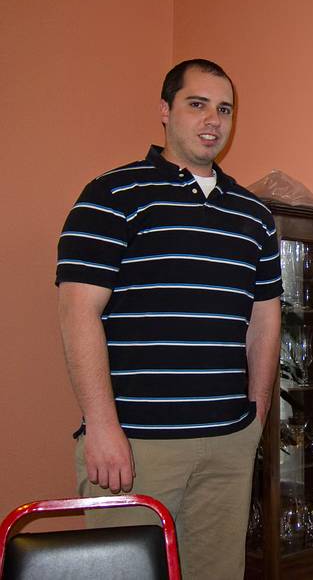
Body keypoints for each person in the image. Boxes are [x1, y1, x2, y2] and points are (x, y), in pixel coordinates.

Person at [56, 58, 282, 579]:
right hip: (135, 445)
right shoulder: (110, 196)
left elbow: (264, 322)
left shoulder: (253, 217)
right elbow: (76, 313)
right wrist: (103, 428)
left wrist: (257, 414)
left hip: (227, 442)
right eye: (197, 104)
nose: (213, 121)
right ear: (165, 110)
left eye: (224, 109)